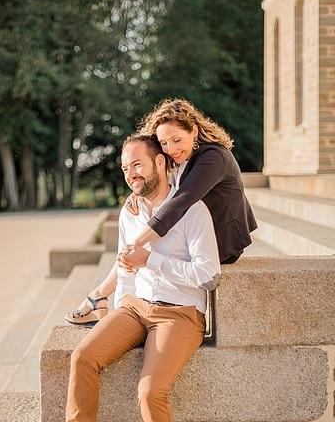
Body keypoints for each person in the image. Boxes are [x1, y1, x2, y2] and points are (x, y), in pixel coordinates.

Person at [38, 134, 221, 422]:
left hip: (180, 314)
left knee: (149, 391)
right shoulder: (130, 211)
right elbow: (124, 268)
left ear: (160, 163)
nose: (130, 173)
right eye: (124, 167)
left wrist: (152, 259)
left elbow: (209, 275)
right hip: (135, 307)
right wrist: (120, 307)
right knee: (83, 357)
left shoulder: (193, 210)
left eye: (137, 164)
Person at [66, 98, 257, 326]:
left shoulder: (213, 158)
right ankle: (103, 296)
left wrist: (137, 244)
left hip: (222, 243)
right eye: (164, 142)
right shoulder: (182, 156)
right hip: (198, 236)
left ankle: (99, 296)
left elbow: (180, 201)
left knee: (143, 248)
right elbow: (158, 182)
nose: (170, 149)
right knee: (143, 246)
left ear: (194, 131)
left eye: (177, 139)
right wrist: (137, 193)